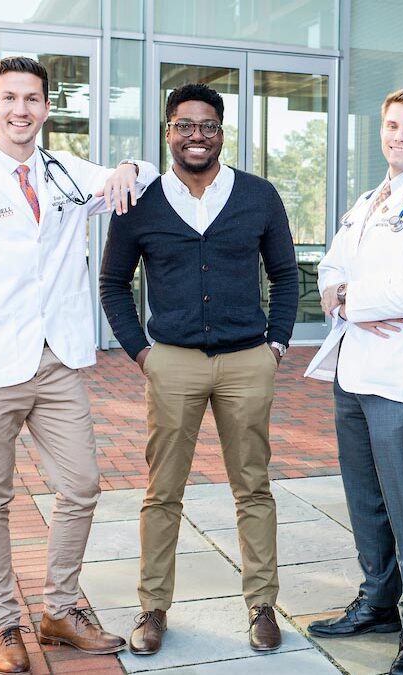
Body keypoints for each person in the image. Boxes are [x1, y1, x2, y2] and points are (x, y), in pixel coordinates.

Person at [0, 56, 157, 674]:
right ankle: (4, 625)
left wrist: (131, 165)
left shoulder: (64, 171)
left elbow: (142, 181)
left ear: (47, 109)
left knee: (80, 486)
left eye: (32, 99)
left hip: (56, 362)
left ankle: (58, 610)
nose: (21, 110)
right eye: (10, 98)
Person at [98, 83, 298, 656]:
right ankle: (152, 608)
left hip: (246, 363)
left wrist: (276, 345)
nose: (196, 135)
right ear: (169, 133)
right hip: (173, 364)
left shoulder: (258, 196)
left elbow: (286, 276)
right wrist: (142, 352)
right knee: (163, 493)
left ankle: (262, 605)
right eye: (184, 125)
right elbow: (114, 283)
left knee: (253, 488)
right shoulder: (143, 201)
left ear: (221, 132)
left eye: (207, 125)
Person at [303, 89, 403, 675]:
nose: (398, 135)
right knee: (363, 496)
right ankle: (377, 601)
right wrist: (344, 297)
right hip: (353, 368)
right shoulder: (369, 200)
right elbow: (330, 267)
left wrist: (350, 300)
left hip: (398, 376)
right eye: (391, 125)